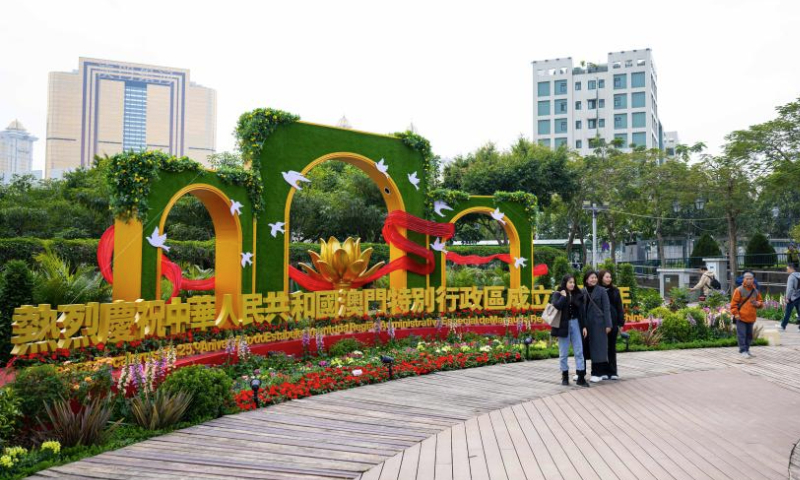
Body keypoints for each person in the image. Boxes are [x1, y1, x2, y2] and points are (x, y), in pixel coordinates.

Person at [550, 275, 588, 387]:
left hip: (576, 323)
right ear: (565, 283)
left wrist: (584, 326)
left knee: (579, 351)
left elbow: (582, 311)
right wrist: (564, 296)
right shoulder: (558, 293)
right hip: (563, 325)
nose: (572, 284)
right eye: (570, 282)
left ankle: (581, 377)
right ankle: (565, 376)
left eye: (573, 282)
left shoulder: (578, 294)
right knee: (563, 353)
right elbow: (556, 306)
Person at [581, 270, 613, 382]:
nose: (594, 279)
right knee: (584, 348)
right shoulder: (582, 291)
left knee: (598, 349)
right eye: (591, 278)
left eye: (595, 277)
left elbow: (606, 308)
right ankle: (580, 372)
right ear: (586, 280)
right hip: (586, 324)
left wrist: (608, 324)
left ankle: (597, 373)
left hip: (599, 324)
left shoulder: (602, 291)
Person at [598, 269, 625, 380]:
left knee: (612, 347)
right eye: (606, 277)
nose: (609, 279)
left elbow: (619, 307)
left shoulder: (615, 291)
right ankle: (603, 371)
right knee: (602, 347)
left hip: (613, 322)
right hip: (600, 322)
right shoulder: (597, 290)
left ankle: (613, 371)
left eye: (610, 277)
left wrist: (620, 322)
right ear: (601, 278)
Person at [730, 271, 763, 359]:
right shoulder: (739, 290)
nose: (749, 280)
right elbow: (733, 304)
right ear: (744, 279)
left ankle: (747, 350)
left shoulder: (755, 291)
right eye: (747, 279)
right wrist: (736, 314)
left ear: (753, 279)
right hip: (740, 317)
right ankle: (743, 350)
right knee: (742, 334)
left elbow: (761, 302)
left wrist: (758, 304)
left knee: (749, 335)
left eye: (751, 279)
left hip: (751, 317)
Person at [780, 263, 800, 332]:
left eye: (787, 269)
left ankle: (783, 326)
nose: (786, 270)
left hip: (792, 298)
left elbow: (789, 288)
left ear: (791, 268)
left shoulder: (791, 277)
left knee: (788, 312)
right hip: (799, 296)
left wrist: (787, 298)